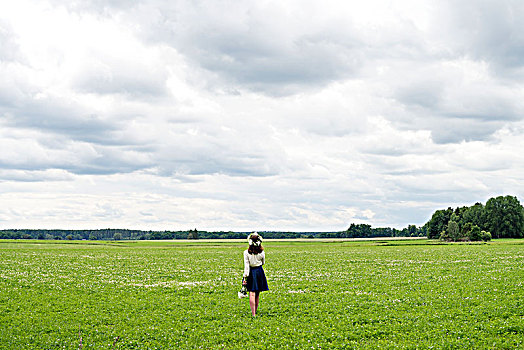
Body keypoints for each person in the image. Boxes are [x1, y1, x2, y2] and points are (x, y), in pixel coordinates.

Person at [243, 232, 269, 316]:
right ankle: (255, 311)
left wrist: (245, 277)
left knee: (252, 292)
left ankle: (253, 313)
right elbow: (263, 262)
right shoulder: (262, 252)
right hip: (259, 271)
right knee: (257, 293)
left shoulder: (246, 252)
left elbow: (247, 266)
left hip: (251, 272)